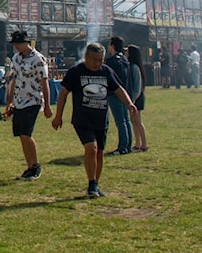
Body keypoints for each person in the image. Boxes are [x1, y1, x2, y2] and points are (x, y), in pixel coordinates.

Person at [52, 42, 138, 198]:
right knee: (91, 147)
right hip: (82, 119)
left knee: (99, 152)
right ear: (86, 57)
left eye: (101, 60)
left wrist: (129, 103)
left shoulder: (106, 72)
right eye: (94, 59)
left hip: (101, 119)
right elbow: (63, 93)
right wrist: (58, 116)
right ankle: (92, 183)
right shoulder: (76, 72)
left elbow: (118, 89)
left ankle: (95, 185)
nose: (97, 63)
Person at [6, 31, 52, 180]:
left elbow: (44, 82)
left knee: (26, 133)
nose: (17, 47)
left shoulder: (38, 59)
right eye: (15, 44)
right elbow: (13, 79)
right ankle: (29, 166)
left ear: (27, 43)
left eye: (19, 43)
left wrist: (47, 105)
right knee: (21, 135)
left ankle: (36, 165)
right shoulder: (16, 59)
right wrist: (9, 101)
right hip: (19, 101)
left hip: (32, 100)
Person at [105, 36, 133, 156]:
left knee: (120, 120)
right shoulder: (124, 60)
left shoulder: (112, 62)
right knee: (126, 119)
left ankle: (122, 147)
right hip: (124, 92)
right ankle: (128, 145)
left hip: (114, 93)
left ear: (112, 45)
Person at [127, 45, 148, 153]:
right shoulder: (130, 66)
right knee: (133, 121)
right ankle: (137, 143)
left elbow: (138, 86)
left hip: (137, 97)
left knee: (138, 121)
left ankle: (144, 144)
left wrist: (133, 100)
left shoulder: (135, 67)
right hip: (133, 98)